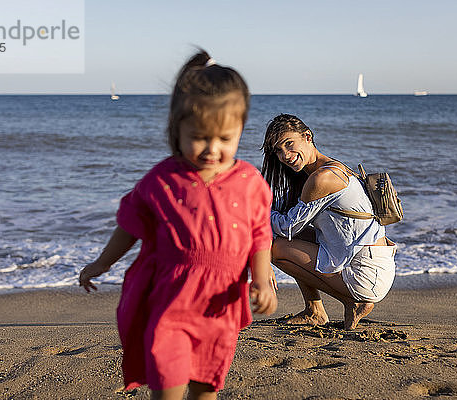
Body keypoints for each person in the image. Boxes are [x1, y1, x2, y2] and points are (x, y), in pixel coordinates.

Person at [79, 50, 277, 400]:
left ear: (241, 129)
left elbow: (259, 234)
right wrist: (102, 263)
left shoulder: (249, 182)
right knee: (167, 384)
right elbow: (129, 226)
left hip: (221, 303)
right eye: (199, 137)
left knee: (205, 387)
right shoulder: (162, 180)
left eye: (225, 139)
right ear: (177, 127)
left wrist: (262, 281)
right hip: (169, 300)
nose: (212, 149)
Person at [261, 114, 396, 330]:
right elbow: (294, 227)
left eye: (289, 144)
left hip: (367, 274)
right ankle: (314, 311)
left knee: (277, 248)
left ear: (307, 136)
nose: (285, 155)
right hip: (375, 264)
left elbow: (288, 227)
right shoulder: (331, 167)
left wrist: (261, 213)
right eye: (278, 150)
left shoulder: (321, 178)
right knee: (287, 238)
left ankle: (350, 302)